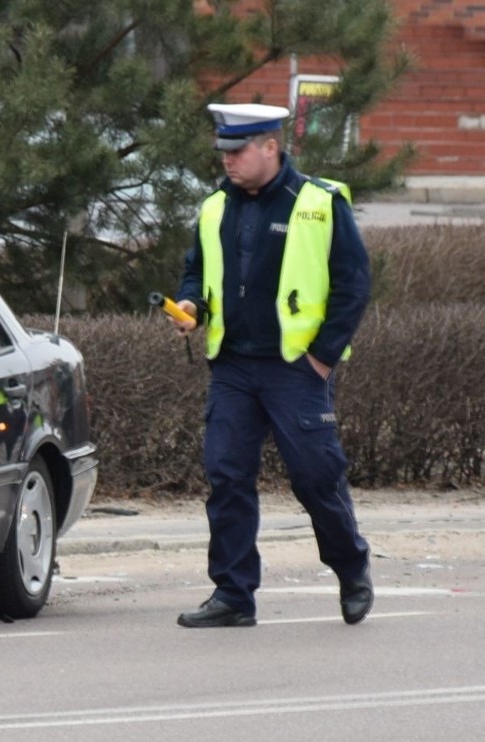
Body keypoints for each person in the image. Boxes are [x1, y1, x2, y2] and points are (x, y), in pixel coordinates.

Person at [170, 102, 373, 628]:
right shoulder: (215, 206)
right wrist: (190, 305)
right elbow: (195, 272)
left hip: (295, 369)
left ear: (270, 147)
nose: (228, 163)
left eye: (237, 152)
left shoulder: (319, 203)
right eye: (223, 153)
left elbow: (353, 285)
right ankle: (233, 596)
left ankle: (352, 567)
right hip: (233, 366)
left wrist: (321, 360)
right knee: (226, 477)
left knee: (315, 478)